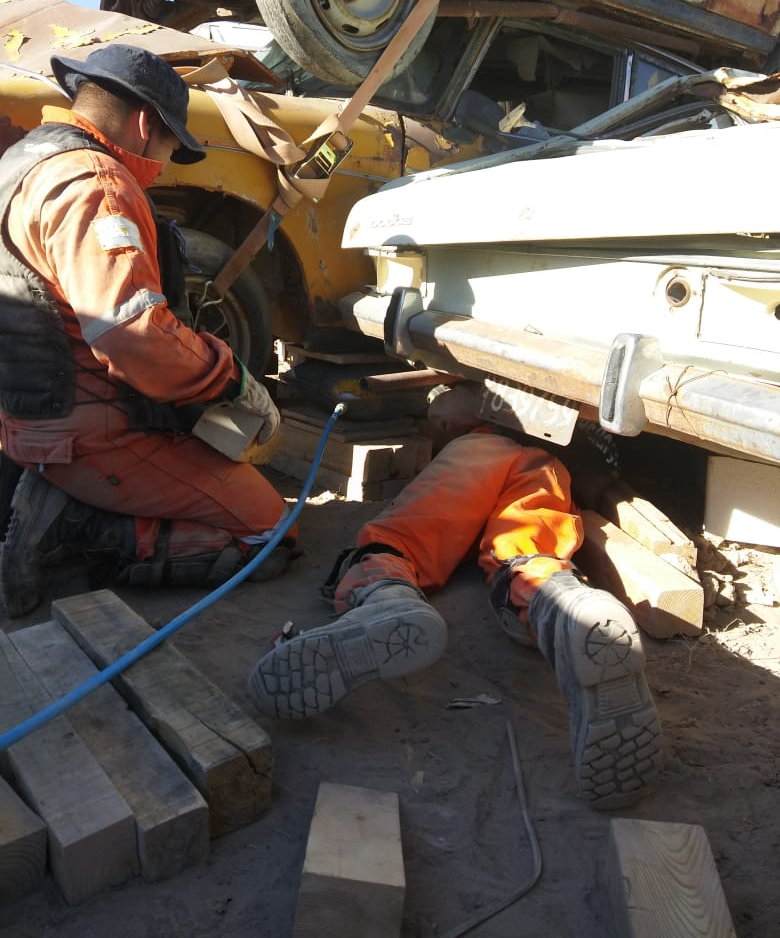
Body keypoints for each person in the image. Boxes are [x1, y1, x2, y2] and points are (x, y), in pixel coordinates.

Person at [248, 386, 663, 811]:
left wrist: (443, 403)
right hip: (551, 466)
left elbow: (448, 408)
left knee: (395, 542)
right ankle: (563, 608)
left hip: (485, 449)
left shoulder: (485, 391)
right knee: (528, 554)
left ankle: (385, 596)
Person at [0, 44, 291, 619]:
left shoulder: (21, 164)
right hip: (92, 432)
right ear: (144, 124)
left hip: (25, 413)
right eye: (167, 148)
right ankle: (72, 527)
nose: (160, 167)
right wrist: (228, 378)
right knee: (270, 534)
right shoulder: (96, 183)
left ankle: (62, 498)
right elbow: (134, 336)